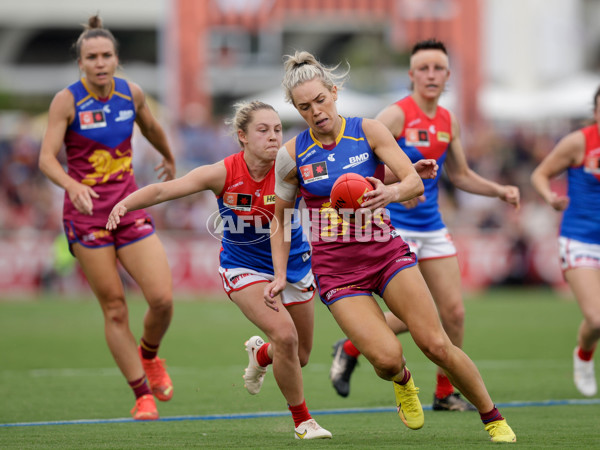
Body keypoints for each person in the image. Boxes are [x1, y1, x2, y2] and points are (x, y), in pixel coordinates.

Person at [264, 50, 517, 443]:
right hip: (337, 272)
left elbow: (414, 183)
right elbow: (279, 220)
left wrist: (390, 192)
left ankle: (493, 418)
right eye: (304, 107)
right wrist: (280, 274)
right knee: (385, 359)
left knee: (436, 343)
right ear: (295, 109)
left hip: (386, 254)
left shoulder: (369, 131)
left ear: (334, 92)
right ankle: (402, 381)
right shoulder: (291, 156)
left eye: (320, 101)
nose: (315, 111)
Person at [106, 100, 332, 440]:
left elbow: (345, 178)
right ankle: (303, 422)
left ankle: (261, 353)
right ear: (242, 136)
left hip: (295, 264)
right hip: (244, 268)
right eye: (263, 130)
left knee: (298, 356)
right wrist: (125, 203)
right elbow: (167, 189)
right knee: (285, 335)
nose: (273, 137)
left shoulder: (293, 166)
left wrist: (401, 176)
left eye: (277, 130)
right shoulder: (223, 173)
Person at [329, 39, 520, 412]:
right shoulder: (396, 115)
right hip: (395, 227)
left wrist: (498, 190)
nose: (431, 75)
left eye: (438, 69)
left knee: (454, 313)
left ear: (447, 76)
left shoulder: (449, 121)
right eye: (424, 68)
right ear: (411, 75)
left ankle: (443, 391)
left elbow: (461, 175)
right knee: (414, 315)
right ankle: (354, 345)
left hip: (431, 225)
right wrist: (398, 188)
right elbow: (360, 163)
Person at [38, 15, 176, 420]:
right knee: (115, 308)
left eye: (106, 55)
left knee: (163, 300)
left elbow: (151, 127)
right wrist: (72, 185)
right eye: (91, 57)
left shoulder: (130, 94)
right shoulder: (66, 101)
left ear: (117, 59)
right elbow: (46, 158)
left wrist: (168, 157)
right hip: (85, 217)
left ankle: (149, 355)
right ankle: (141, 394)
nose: (100, 63)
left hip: (126, 208)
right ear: (80, 63)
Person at [531, 86, 600, 398]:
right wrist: (550, 197)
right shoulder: (579, 142)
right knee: (597, 319)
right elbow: (540, 174)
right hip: (580, 238)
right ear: (595, 112)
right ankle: (584, 356)